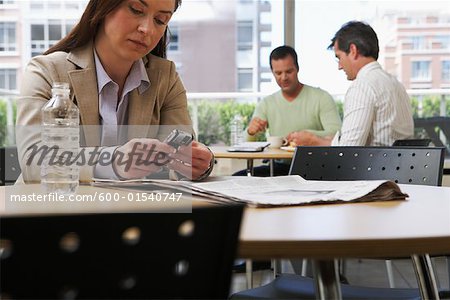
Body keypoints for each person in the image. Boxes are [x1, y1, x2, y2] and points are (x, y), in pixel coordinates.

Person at [16, 0, 213, 183]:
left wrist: (197, 164)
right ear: (104, 6)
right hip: (55, 211)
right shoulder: (46, 71)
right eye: (136, 10)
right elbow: (33, 160)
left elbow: (176, 161)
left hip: (133, 213)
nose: (147, 29)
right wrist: (114, 160)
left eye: (160, 20)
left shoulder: (165, 77)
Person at [290, 21, 414, 147]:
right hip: (399, 165)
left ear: (353, 50)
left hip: (372, 165)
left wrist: (313, 141)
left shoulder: (362, 86)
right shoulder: (395, 83)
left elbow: (347, 150)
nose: (339, 66)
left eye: (339, 57)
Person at [238, 45, 341, 176]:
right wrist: (251, 132)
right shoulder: (267, 103)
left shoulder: (321, 98)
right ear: (272, 72)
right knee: (237, 177)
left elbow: (337, 134)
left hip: (315, 166)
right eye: (278, 73)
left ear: (297, 69)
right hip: (277, 167)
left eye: (289, 71)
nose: (284, 78)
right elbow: (246, 146)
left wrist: (307, 136)